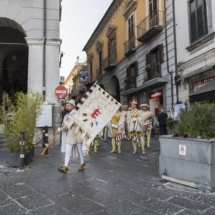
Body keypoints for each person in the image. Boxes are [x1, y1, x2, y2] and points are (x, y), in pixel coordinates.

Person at [57, 99, 85, 173]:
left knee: (80, 150)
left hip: (77, 132)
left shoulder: (77, 114)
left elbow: (67, 125)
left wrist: (60, 129)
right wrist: (60, 128)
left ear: (73, 106)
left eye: (69, 105)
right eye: (67, 105)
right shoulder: (67, 115)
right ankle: (65, 166)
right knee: (68, 150)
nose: (67, 107)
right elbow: (65, 124)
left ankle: (82, 164)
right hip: (70, 133)